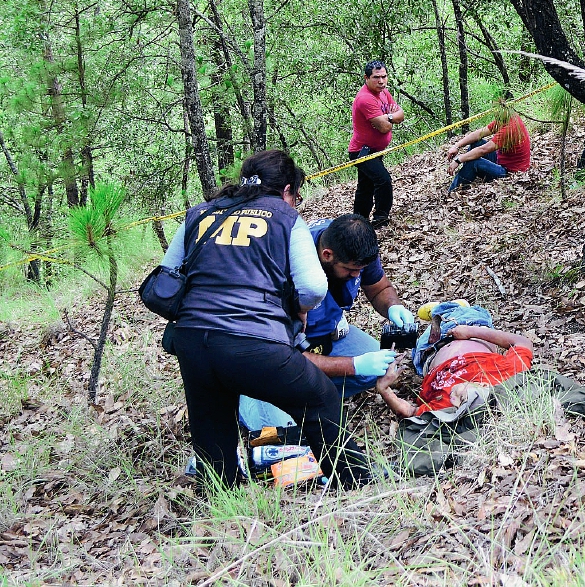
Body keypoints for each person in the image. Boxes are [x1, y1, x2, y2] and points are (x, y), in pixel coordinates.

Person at [161, 150, 373, 487]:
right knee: (319, 398)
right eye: (296, 195)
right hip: (253, 338)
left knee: (213, 426)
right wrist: (299, 310)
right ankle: (355, 483)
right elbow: (313, 285)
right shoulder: (285, 217)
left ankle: (224, 501)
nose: (296, 202)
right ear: (287, 189)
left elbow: (166, 276)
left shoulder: (199, 214)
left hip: (192, 339)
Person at [237, 213, 418, 435]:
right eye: (351, 270)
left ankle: (311, 389)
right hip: (270, 354)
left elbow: (379, 287)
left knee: (379, 368)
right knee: (276, 430)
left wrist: (393, 307)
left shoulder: (357, 248)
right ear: (327, 255)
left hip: (324, 337)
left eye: (360, 270)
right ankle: (249, 397)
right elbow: (283, 355)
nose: (356, 276)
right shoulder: (286, 265)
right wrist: (353, 365)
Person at [375, 313, 534, 418]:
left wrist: (384, 389)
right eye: (462, 398)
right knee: (465, 310)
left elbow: (410, 412)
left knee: (434, 314)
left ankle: (437, 311)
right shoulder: (505, 376)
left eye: (457, 406)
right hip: (473, 326)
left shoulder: (447, 408)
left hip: (430, 350)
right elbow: (523, 342)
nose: (453, 400)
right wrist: (470, 331)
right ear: (483, 386)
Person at [349, 60, 404, 228]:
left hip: (376, 150)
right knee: (383, 181)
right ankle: (380, 219)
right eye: (376, 77)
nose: (381, 81)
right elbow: (385, 127)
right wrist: (390, 117)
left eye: (384, 77)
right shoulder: (365, 98)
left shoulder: (383, 93)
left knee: (366, 187)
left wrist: (387, 116)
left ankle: (359, 222)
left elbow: (401, 115)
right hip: (362, 151)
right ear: (366, 78)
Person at [445, 104, 531, 193]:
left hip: (509, 172)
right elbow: (479, 134)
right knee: (477, 142)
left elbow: (483, 150)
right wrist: (456, 146)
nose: (495, 112)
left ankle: (452, 191)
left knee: (474, 162)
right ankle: (466, 174)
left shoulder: (510, 129)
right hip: (500, 160)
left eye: (498, 109)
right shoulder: (507, 119)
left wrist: (458, 160)